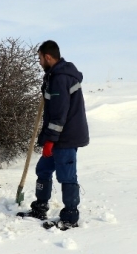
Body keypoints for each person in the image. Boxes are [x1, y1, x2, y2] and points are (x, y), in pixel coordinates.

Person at [17, 40, 89, 230]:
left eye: (40, 58)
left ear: (48, 57)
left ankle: (70, 217)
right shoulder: (54, 76)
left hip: (65, 137)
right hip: (58, 136)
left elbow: (58, 114)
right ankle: (40, 207)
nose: (39, 62)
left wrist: (50, 139)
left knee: (67, 176)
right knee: (43, 169)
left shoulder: (60, 78)